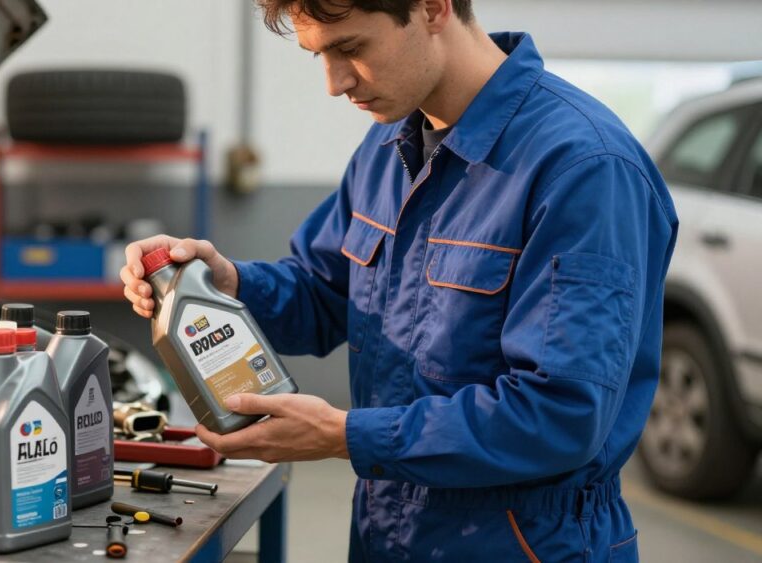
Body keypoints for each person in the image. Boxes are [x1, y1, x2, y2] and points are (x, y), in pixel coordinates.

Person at [120, 1, 677, 560]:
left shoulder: (584, 168)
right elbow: (324, 293)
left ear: (432, 9)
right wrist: (226, 286)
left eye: (350, 49)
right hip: (386, 531)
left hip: (521, 541)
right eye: (319, 55)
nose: (334, 84)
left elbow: (560, 415)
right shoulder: (388, 146)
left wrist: (347, 436)